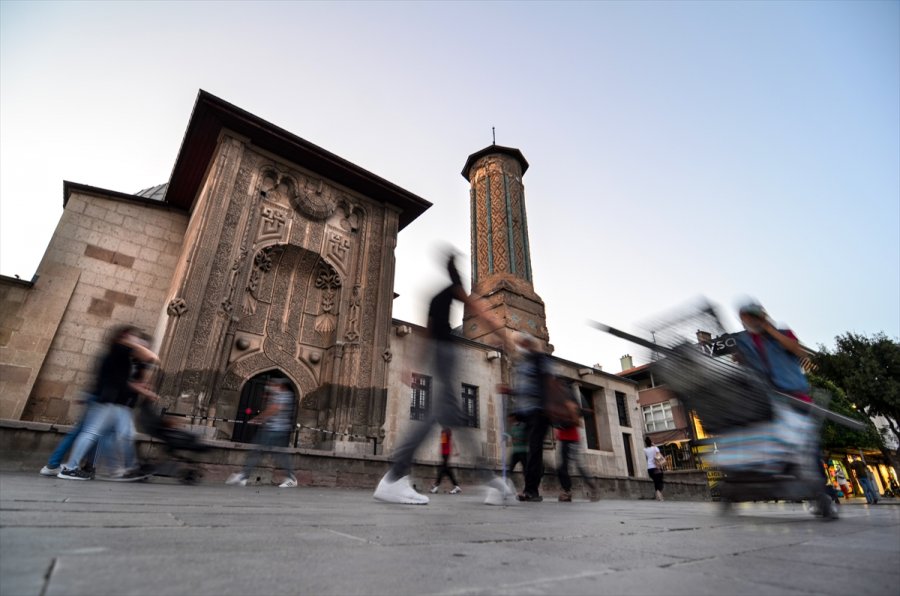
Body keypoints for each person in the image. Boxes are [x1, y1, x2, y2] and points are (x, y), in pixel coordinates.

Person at [373, 250, 504, 505]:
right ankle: (395, 476)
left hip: (438, 355)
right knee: (441, 415)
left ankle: (493, 481)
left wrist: (415, 363)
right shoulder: (454, 289)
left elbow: (427, 332)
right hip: (445, 355)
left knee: (456, 419)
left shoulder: (435, 297)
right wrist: (501, 333)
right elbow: (478, 308)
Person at [57, 326, 159, 480]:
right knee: (92, 434)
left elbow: (126, 378)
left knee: (117, 434)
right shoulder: (120, 348)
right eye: (134, 336)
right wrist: (136, 344)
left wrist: (143, 388)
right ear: (124, 336)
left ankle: (120, 469)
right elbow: (151, 357)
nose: (137, 339)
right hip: (106, 400)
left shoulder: (122, 353)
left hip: (113, 401)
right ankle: (71, 468)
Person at [226, 378, 298, 488]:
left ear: (281, 386)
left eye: (273, 384)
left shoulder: (285, 395)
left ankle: (244, 476)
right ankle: (244, 476)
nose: (271, 386)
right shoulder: (275, 395)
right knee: (271, 454)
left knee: (260, 452)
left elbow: (275, 409)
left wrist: (259, 418)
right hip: (272, 429)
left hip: (276, 430)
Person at [510, 332, 552, 502]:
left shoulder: (541, 359)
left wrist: (546, 406)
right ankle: (540, 476)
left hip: (540, 412)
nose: (521, 346)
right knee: (531, 453)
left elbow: (548, 383)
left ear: (529, 343)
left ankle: (531, 491)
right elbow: (523, 391)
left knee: (534, 451)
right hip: (527, 414)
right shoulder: (523, 363)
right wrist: (516, 412)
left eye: (523, 343)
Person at [555, 402, 600, 502]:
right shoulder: (555, 406)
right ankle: (567, 491)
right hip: (563, 439)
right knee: (561, 466)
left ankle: (593, 488)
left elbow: (583, 414)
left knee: (579, 466)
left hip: (572, 439)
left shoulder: (568, 405)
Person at [430, 428, 461, 494]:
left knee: (443, 470)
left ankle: (436, 486)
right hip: (444, 453)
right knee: (447, 471)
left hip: (446, 453)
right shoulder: (445, 431)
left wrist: (456, 450)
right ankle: (456, 486)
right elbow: (444, 442)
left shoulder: (446, 431)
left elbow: (450, 441)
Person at [644, 436, 665, 501]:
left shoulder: (645, 450)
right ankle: (659, 493)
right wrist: (654, 445)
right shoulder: (655, 448)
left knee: (655, 481)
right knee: (660, 481)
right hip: (657, 467)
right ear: (651, 442)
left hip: (650, 468)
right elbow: (659, 455)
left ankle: (657, 495)